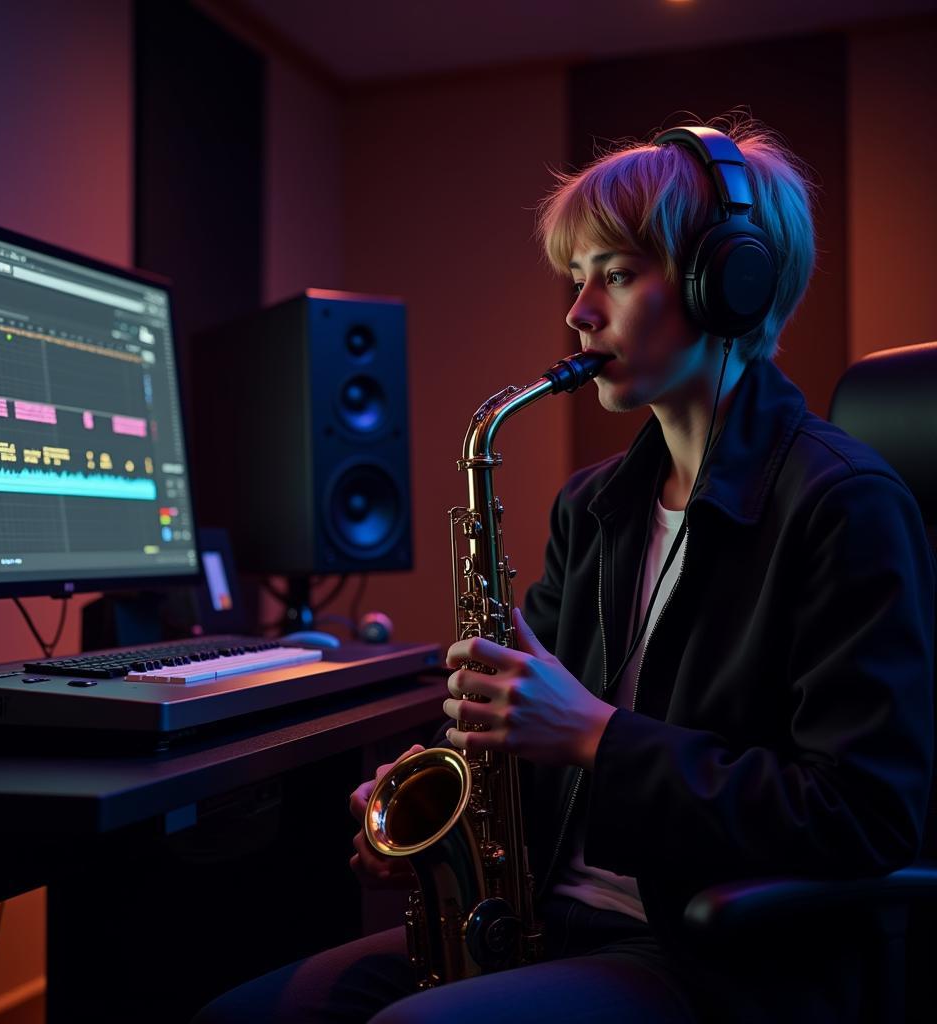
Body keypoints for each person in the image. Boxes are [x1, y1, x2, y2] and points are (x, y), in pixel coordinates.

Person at [191, 115, 934, 1023]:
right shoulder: (594, 508)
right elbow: (523, 739)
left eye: (615, 276)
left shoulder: (844, 504)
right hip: (552, 920)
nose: (578, 313)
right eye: (576, 280)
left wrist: (596, 736)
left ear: (730, 286)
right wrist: (432, 818)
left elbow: (863, 816)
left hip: (720, 955)